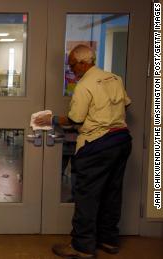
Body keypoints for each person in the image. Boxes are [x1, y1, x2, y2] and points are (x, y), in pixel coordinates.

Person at [34, 45, 132, 259]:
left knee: (87, 195)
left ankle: (82, 246)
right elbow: (126, 105)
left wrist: (50, 119)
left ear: (83, 62)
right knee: (112, 192)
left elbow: (74, 120)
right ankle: (108, 239)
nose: (71, 70)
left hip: (97, 144)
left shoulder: (84, 85)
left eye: (71, 65)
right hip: (121, 140)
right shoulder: (115, 78)